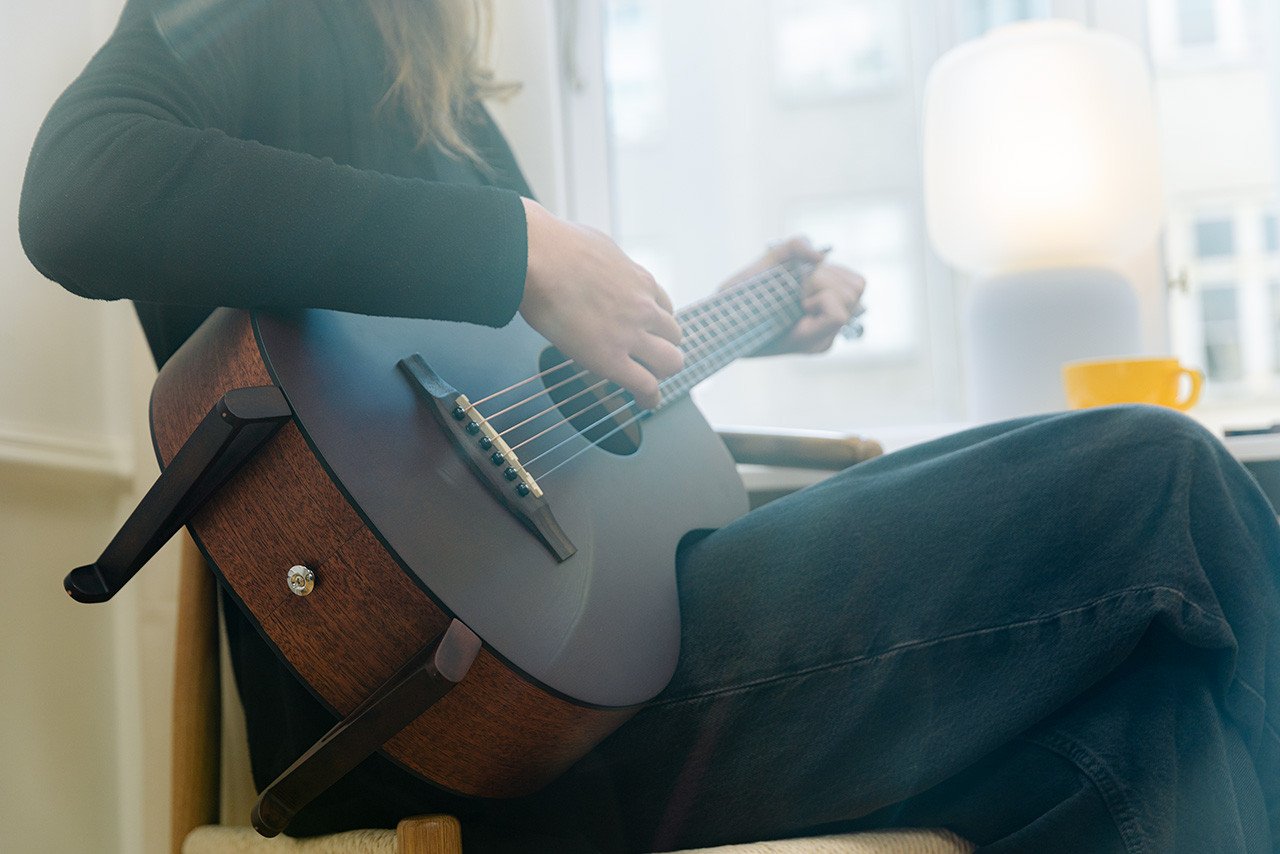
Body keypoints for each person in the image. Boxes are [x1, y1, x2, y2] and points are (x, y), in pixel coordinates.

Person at [19, 1, 1280, 852]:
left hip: (593, 649)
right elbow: (79, 190)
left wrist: (738, 315)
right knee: (1157, 476)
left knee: (1146, 716)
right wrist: (519, 248)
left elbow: (534, 429)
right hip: (444, 712)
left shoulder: (459, 120)